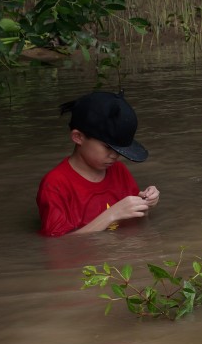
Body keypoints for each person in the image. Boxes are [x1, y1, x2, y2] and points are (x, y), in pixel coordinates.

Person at [37, 92, 160, 237]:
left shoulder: (119, 170)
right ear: (78, 137)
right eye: (108, 147)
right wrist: (111, 215)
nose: (115, 156)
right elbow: (58, 246)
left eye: (119, 150)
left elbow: (136, 222)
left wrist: (145, 205)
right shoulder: (54, 185)